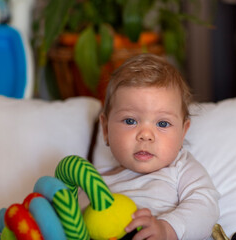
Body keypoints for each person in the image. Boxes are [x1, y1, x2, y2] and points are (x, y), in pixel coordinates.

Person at [88, 53, 219, 240]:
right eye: (130, 120)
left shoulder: (180, 168)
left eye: (163, 124)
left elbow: (206, 207)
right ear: (106, 129)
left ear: (183, 132)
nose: (146, 135)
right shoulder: (96, 184)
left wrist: (167, 229)